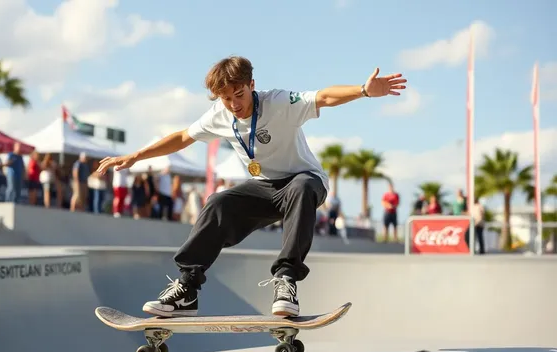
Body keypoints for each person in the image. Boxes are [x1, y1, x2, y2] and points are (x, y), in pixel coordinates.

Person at [96, 56, 407, 317]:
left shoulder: (279, 102)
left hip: (305, 181)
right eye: (226, 98)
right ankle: (188, 288)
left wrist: (363, 91)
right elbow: (181, 137)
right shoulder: (220, 114)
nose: (234, 104)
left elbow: (323, 97)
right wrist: (135, 156)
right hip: (264, 187)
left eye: (239, 95)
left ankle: (286, 278)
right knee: (218, 202)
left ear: (252, 86)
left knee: (300, 187)